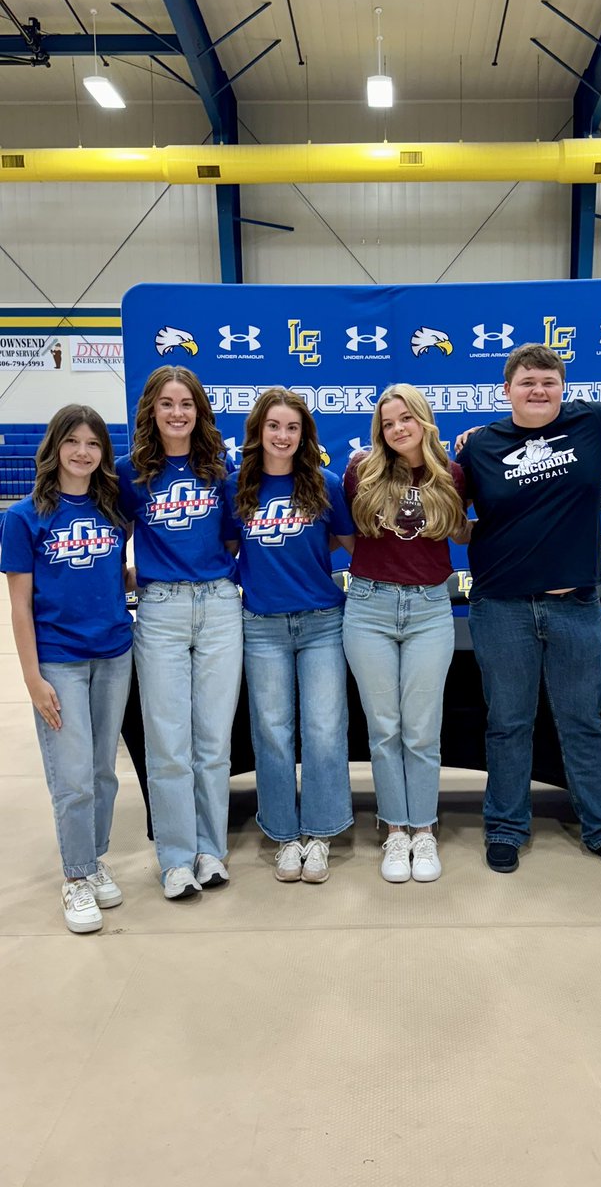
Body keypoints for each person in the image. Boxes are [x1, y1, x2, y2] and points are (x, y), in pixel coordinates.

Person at [455, 343, 601, 875]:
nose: (539, 390)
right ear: (506, 390)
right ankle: (506, 828)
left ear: (564, 388)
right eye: (528, 382)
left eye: (548, 382)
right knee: (509, 723)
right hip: (501, 607)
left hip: (574, 605)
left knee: (583, 722)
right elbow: (449, 512)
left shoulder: (590, 421)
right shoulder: (480, 447)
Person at [2, 406, 133, 933]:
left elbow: (108, 573)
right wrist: (32, 678)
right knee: (73, 777)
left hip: (114, 653)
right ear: (54, 446)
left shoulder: (111, 509)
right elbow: (19, 606)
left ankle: (94, 860)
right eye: (72, 441)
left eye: (94, 444)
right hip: (59, 660)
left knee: (104, 771)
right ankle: (76, 878)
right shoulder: (23, 516)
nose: (83, 452)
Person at [117, 366, 242, 900]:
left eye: (186, 404)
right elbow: (110, 533)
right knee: (168, 743)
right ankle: (174, 857)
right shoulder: (129, 472)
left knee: (213, 742)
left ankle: (211, 850)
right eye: (166, 404)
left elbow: (236, 539)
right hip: (161, 611)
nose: (176, 413)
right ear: (152, 410)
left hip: (217, 605)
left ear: (199, 411)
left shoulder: (220, 468)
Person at [225, 388, 355, 885]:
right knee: (273, 735)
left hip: (323, 623)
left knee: (323, 731)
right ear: (259, 431)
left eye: (293, 428)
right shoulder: (238, 488)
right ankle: (283, 835)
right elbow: (225, 550)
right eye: (274, 426)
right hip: (261, 628)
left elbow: (354, 545)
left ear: (304, 436)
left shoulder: (323, 484)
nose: (283, 436)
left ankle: (319, 835)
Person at [342, 384, 469, 884]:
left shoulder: (453, 474)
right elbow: (350, 535)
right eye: (388, 422)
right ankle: (396, 830)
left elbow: (461, 531)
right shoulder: (361, 471)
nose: (397, 428)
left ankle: (425, 830)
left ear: (423, 419)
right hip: (369, 607)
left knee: (420, 730)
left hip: (430, 608)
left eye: (405, 419)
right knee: (385, 729)